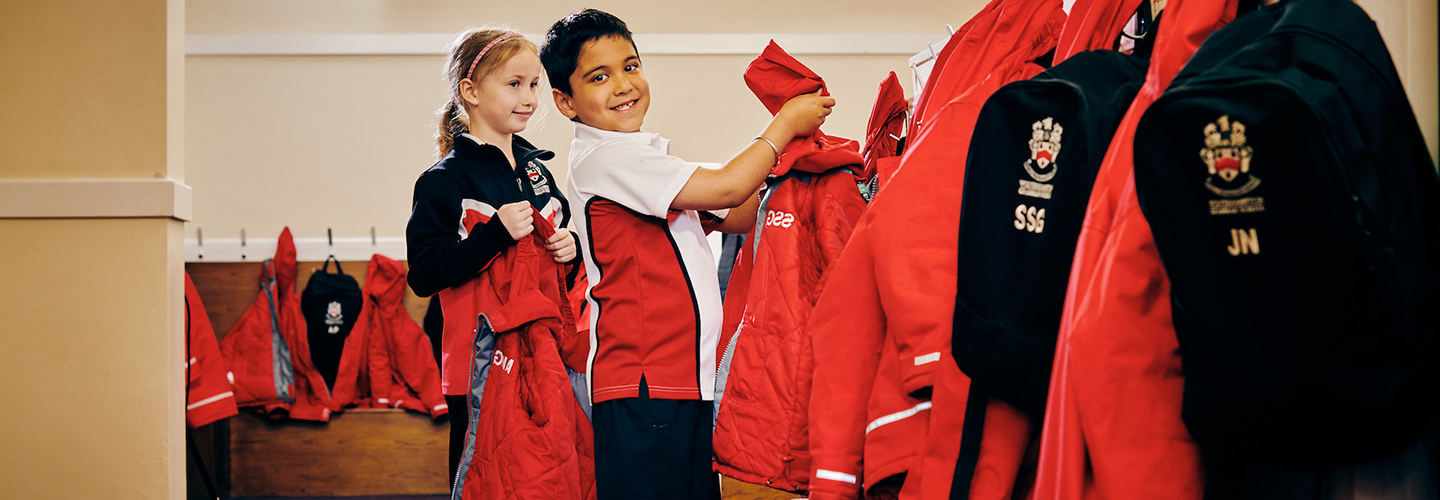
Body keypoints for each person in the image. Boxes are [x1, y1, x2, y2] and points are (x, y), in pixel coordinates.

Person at [539, 9, 833, 499]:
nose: (623, 85)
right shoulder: (606, 157)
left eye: (630, 67)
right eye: (599, 76)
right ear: (565, 102)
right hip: (645, 386)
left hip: (681, 382)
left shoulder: (645, 159)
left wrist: (799, 169)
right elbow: (728, 188)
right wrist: (783, 126)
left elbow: (738, 213)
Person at [404, 27, 578, 487]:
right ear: (471, 91)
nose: (528, 97)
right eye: (514, 83)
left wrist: (571, 250)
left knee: (547, 481)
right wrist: (495, 234)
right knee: (486, 484)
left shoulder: (539, 172)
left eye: (534, 84)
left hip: (546, 360)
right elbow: (423, 274)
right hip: (476, 367)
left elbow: (565, 271)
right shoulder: (443, 181)